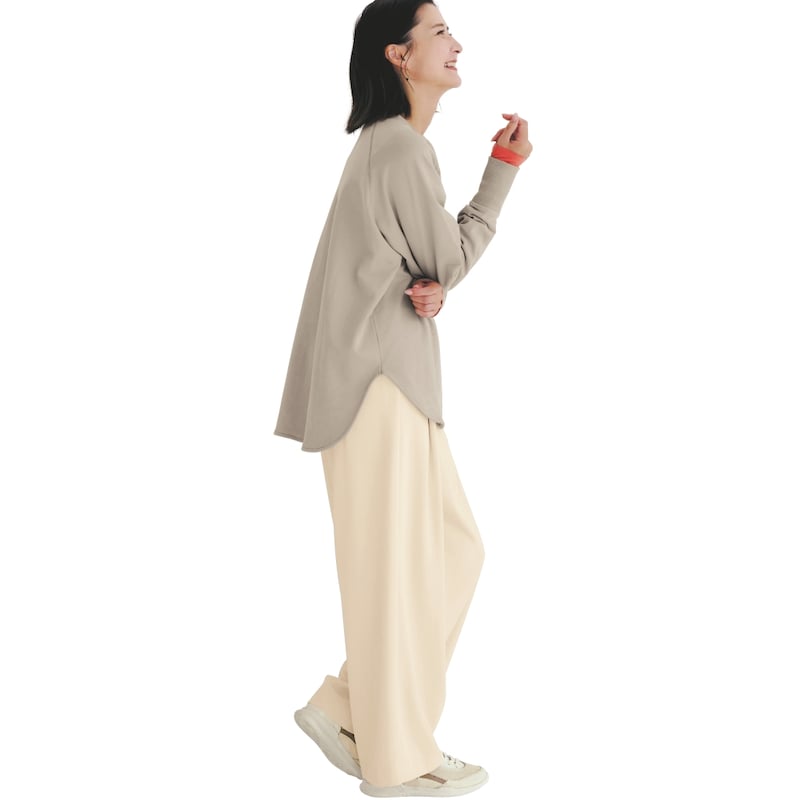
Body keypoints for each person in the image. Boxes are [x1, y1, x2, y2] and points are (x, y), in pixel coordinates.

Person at [274, 0, 531, 795]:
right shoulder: (399, 148)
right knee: (400, 572)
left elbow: (420, 265)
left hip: (390, 383)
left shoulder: (389, 147)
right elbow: (445, 259)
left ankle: (351, 707)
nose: (457, 43)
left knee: (453, 550)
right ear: (398, 55)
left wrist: (431, 282)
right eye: (439, 32)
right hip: (377, 387)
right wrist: (503, 171)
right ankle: (397, 762)